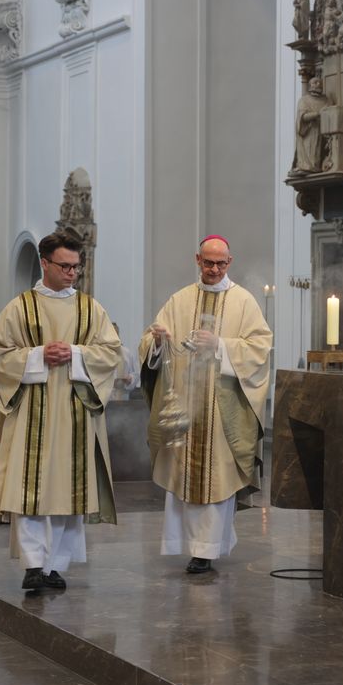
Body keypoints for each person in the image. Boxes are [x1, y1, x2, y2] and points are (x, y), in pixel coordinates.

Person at [0, 232, 123, 590]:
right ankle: (33, 565)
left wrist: (75, 354)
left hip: (75, 411)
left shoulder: (91, 309)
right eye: (65, 266)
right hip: (32, 411)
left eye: (76, 266)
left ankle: (56, 566)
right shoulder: (20, 306)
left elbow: (111, 353)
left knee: (67, 491)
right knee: (29, 491)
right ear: (44, 263)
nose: (72, 273)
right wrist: (37, 355)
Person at [139, 235, 272, 574]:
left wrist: (221, 346)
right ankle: (188, 546)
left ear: (230, 262)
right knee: (184, 476)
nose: (214, 269)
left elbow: (260, 348)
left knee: (218, 479)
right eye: (208, 262)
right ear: (197, 259)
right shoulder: (179, 300)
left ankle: (207, 550)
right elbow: (151, 346)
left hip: (221, 412)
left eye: (221, 263)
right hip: (185, 408)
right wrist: (157, 343)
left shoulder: (243, 301)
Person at [291, 77, 329, 175]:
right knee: (310, 150)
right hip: (309, 131)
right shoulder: (304, 100)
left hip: (323, 131)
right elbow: (302, 117)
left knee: (319, 151)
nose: (318, 84)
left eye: (320, 82)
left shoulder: (326, 100)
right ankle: (307, 167)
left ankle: (318, 166)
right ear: (309, 85)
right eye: (315, 82)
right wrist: (317, 114)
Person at [111, 322, 140, 401]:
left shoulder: (126, 353)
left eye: (115, 333)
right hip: (106, 397)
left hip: (123, 397)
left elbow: (135, 374)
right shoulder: (100, 353)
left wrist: (130, 379)